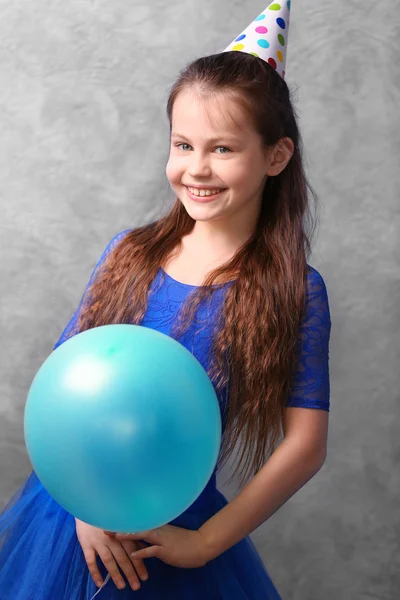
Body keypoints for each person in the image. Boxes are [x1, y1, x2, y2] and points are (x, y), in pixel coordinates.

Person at [0, 2, 331, 598]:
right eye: (183, 145)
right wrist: (85, 500)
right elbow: (63, 388)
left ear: (276, 156)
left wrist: (206, 542)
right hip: (76, 520)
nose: (196, 169)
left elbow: (305, 444)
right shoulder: (130, 254)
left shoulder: (295, 290)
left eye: (223, 149)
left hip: (174, 526)